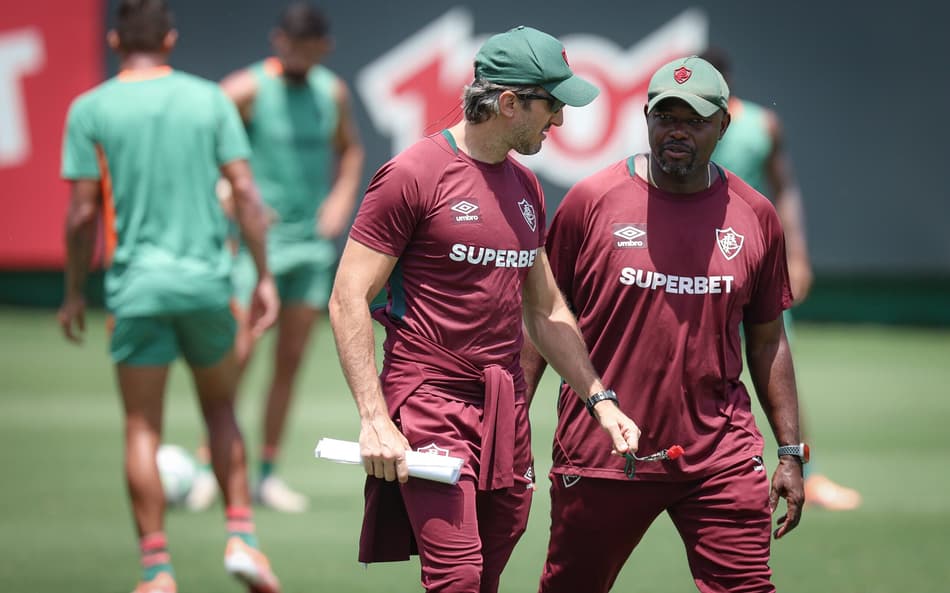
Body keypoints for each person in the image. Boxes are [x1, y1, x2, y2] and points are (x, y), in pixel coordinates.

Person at [327, 25, 640, 593]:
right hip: (429, 400)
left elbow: (544, 310)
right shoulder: (412, 175)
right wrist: (375, 417)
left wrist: (600, 397)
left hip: (505, 408)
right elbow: (348, 297)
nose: (561, 122)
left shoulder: (525, 185)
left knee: (490, 566)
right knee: (458, 576)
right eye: (553, 106)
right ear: (510, 102)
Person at [521, 56, 805, 593]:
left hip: (721, 452)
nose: (677, 132)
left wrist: (790, 451)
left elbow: (768, 338)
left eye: (694, 121)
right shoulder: (591, 202)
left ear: (723, 124)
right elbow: (542, 318)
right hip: (604, 452)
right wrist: (513, 425)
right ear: (646, 118)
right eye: (665, 117)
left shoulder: (756, 215)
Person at [57, 1, 281, 591]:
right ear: (171, 39)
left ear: (113, 40)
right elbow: (247, 194)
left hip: (137, 290)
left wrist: (75, 291)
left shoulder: (91, 107)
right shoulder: (209, 100)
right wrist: (262, 276)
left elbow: (82, 215)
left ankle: (157, 570)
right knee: (222, 411)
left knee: (141, 430)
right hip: (207, 287)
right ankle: (243, 539)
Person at [186, 1, 365, 513]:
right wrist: (224, 190)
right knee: (238, 356)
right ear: (277, 41)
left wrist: (339, 200)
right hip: (255, 249)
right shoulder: (245, 89)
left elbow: (350, 150)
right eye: (288, 45)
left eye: (306, 48)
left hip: (310, 248)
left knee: (289, 362)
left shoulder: (331, 92)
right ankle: (208, 465)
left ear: (321, 49)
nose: (294, 54)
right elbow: (197, 138)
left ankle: (265, 472)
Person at [699, 46, 861, 511]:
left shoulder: (761, 126)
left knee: (774, 362)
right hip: (694, 267)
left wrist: (799, 253)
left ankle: (804, 467)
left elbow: (785, 185)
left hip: (751, 263)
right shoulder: (681, 125)